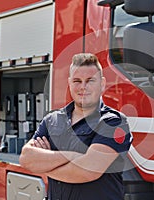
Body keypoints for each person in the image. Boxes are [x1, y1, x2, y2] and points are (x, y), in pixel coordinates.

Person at [19, 53, 132, 200]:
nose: (83, 87)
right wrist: (71, 156)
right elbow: (26, 158)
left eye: (90, 81)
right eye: (77, 81)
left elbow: (87, 171)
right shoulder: (51, 120)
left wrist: (44, 165)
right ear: (70, 83)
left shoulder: (113, 122)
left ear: (102, 84)